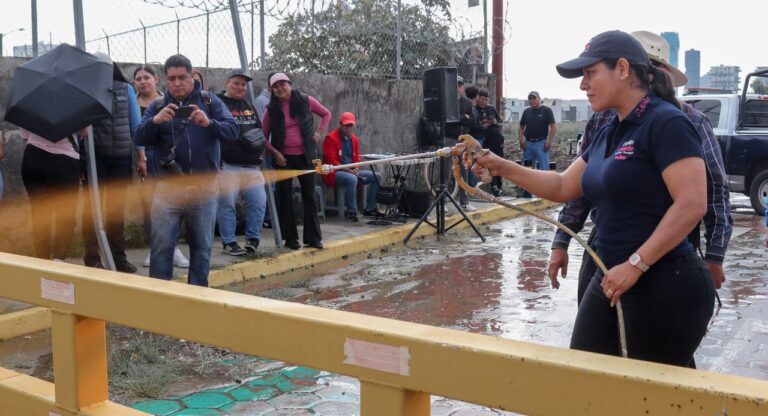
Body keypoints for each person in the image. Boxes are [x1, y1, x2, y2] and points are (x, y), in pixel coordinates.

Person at [471, 30, 714, 366]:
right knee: (586, 382)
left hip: (664, 282)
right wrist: (501, 167)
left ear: (624, 69)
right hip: (611, 276)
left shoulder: (666, 122)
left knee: (649, 400)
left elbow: (692, 202)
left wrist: (636, 264)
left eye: (590, 73)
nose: (583, 85)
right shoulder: (610, 129)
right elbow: (561, 186)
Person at [548, 30, 732, 304]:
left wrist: (715, 256)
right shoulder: (604, 120)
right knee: (593, 342)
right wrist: (561, 242)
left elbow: (712, 191)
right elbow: (579, 187)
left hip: (667, 251)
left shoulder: (684, 121)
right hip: (607, 244)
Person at [135, 54, 238, 286]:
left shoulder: (210, 102)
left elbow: (233, 131)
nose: (177, 83)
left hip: (205, 188)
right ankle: (160, 303)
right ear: (164, 80)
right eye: (172, 78)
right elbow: (138, 137)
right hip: (167, 190)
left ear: (192, 76)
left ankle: (197, 300)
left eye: (182, 77)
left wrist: (208, 123)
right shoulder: (157, 105)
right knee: (161, 249)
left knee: (202, 250)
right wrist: (156, 121)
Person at [81, 58, 140, 273]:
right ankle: (92, 257)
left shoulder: (127, 90)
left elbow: (136, 125)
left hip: (121, 158)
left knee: (115, 211)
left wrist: (140, 156)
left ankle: (118, 258)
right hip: (95, 158)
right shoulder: (87, 89)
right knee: (92, 210)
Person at [261, 72, 330, 250]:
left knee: (310, 196)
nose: (279, 88)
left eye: (282, 84)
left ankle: (313, 238)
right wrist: (275, 152)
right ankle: (290, 239)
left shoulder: (306, 101)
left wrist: (318, 133)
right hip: (283, 159)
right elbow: (262, 136)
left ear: (290, 84)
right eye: (275, 86)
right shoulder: (271, 109)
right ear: (272, 90)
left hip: (306, 156)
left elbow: (326, 114)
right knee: (284, 197)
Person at [133, 64, 190, 269]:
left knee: (177, 206)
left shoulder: (165, 102)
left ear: (157, 79)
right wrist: (141, 159)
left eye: (146, 77)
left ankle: (173, 248)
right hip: (142, 161)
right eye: (138, 78)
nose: (142, 81)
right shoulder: (134, 103)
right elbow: (136, 133)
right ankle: (155, 248)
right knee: (150, 207)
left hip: (169, 162)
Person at [216, 68, 267, 256]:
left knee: (259, 202)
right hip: (228, 165)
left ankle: (252, 239)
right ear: (227, 83)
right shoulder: (218, 103)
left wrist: (260, 153)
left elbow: (258, 131)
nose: (240, 87)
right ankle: (229, 242)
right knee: (228, 205)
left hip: (252, 166)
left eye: (243, 84)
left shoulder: (247, 105)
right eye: (236, 83)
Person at [20, 129, 82, 261]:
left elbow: (25, 135)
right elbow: (84, 132)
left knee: (40, 214)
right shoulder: (74, 107)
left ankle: (42, 262)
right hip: (64, 161)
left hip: (33, 156)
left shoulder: (30, 107)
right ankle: (57, 263)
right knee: (65, 217)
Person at [322, 112, 383, 222]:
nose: (349, 128)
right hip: (334, 172)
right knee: (352, 178)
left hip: (350, 171)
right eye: (346, 125)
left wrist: (355, 169)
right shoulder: (330, 138)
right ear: (341, 124)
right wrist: (349, 170)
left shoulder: (354, 139)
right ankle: (351, 212)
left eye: (351, 126)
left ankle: (370, 208)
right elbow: (332, 162)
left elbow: (356, 159)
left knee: (376, 176)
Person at [443, 76, 476, 211]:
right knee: (445, 171)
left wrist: (459, 117)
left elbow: (473, 120)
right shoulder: (446, 101)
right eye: (456, 84)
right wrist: (464, 117)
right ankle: (443, 202)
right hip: (448, 138)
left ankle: (464, 201)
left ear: (463, 87)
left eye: (460, 85)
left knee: (464, 171)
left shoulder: (467, 102)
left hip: (463, 141)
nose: (458, 87)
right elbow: (448, 119)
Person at [476, 89, 505, 196]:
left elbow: (501, 124)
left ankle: (499, 186)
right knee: (489, 165)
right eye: (483, 99)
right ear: (478, 98)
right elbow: (472, 125)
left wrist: (495, 122)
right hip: (484, 141)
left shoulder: (491, 108)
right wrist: (481, 123)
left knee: (500, 163)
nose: (484, 101)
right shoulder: (474, 109)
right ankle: (493, 186)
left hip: (496, 140)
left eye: (486, 100)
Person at [518, 91, 556, 172]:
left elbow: (553, 127)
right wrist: (521, 141)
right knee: (527, 170)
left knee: (544, 169)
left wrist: (549, 142)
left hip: (541, 144)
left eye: (534, 98)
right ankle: (528, 185)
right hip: (528, 144)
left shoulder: (547, 110)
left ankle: (545, 184)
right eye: (530, 99)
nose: (531, 100)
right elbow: (521, 128)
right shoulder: (527, 111)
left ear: (539, 98)